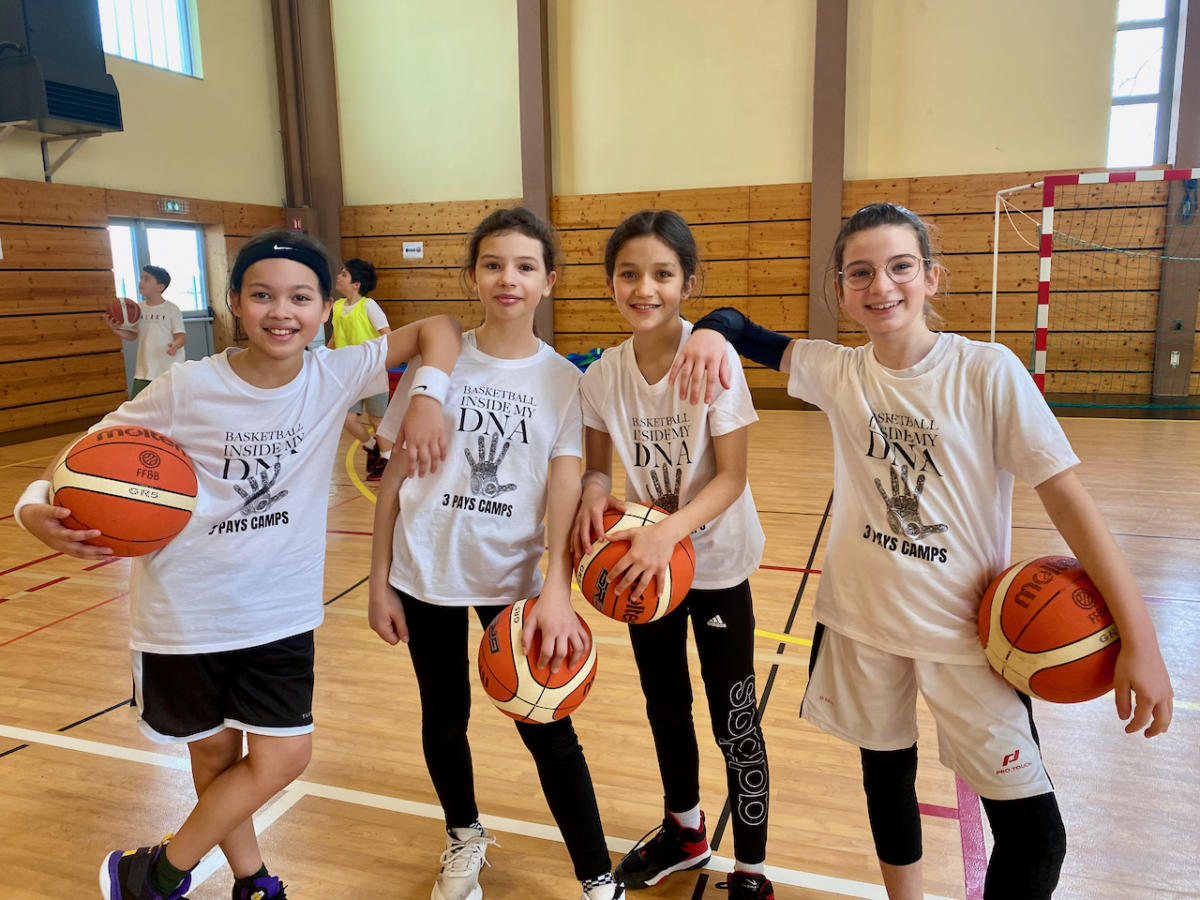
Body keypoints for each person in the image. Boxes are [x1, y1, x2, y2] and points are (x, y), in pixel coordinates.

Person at [670, 202, 1174, 900]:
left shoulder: (987, 371)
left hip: (972, 639)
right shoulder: (839, 371)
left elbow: (1069, 502)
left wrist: (1141, 639)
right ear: (841, 290)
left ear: (932, 277)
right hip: (863, 625)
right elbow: (739, 326)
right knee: (887, 784)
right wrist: (705, 330)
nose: (882, 286)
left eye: (901, 267)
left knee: (1036, 838)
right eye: (860, 273)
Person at [14, 228, 461, 900]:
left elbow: (440, 328)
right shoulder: (187, 387)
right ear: (233, 302)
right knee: (217, 757)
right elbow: (88, 446)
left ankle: (156, 872)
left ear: (324, 307)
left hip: (279, 612)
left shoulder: (333, 374)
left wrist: (427, 397)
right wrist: (30, 505)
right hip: (185, 612)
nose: (282, 312)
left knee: (285, 755)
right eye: (262, 295)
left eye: (301, 297)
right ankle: (253, 881)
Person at [368, 207, 624, 900]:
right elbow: (394, 477)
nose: (508, 278)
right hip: (423, 570)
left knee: (549, 725)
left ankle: (597, 876)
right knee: (443, 717)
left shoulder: (566, 381)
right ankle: (463, 836)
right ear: (473, 276)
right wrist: (378, 581)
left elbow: (565, 487)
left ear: (548, 281)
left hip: (512, 577)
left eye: (524, 266)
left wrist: (556, 587)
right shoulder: (439, 363)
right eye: (493, 264)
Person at [570, 210, 774, 900]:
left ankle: (752, 870)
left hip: (714, 565)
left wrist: (669, 531)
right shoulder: (602, 376)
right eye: (629, 274)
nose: (644, 288)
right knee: (665, 704)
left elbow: (732, 478)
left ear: (688, 282)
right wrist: (591, 494)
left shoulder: (712, 360)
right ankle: (685, 832)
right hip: (646, 571)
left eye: (662, 274)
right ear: (610, 283)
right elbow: (598, 468)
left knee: (733, 718)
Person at [328, 257, 393, 480]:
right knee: (347, 419)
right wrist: (324, 358)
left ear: (356, 284)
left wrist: (383, 360)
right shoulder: (337, 307)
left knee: (377, 420)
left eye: (344, 274)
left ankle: (387, 460)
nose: (339, 277)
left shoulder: (369, 306)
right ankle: (373, 446)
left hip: (373, 372)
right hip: (348, 374)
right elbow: (335, 338)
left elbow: (388, 336)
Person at [106, 265, 187, 398]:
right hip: (143, 372)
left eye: (147, 279)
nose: (141, 282)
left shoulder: (172, 309)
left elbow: (181, 337)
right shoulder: (137, 309)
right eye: (141, 278)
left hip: (168, 370)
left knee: (170, 406)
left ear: (160, 287)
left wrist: (175, 345)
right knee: (138, 407)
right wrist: (115, 329)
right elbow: (133, 335)